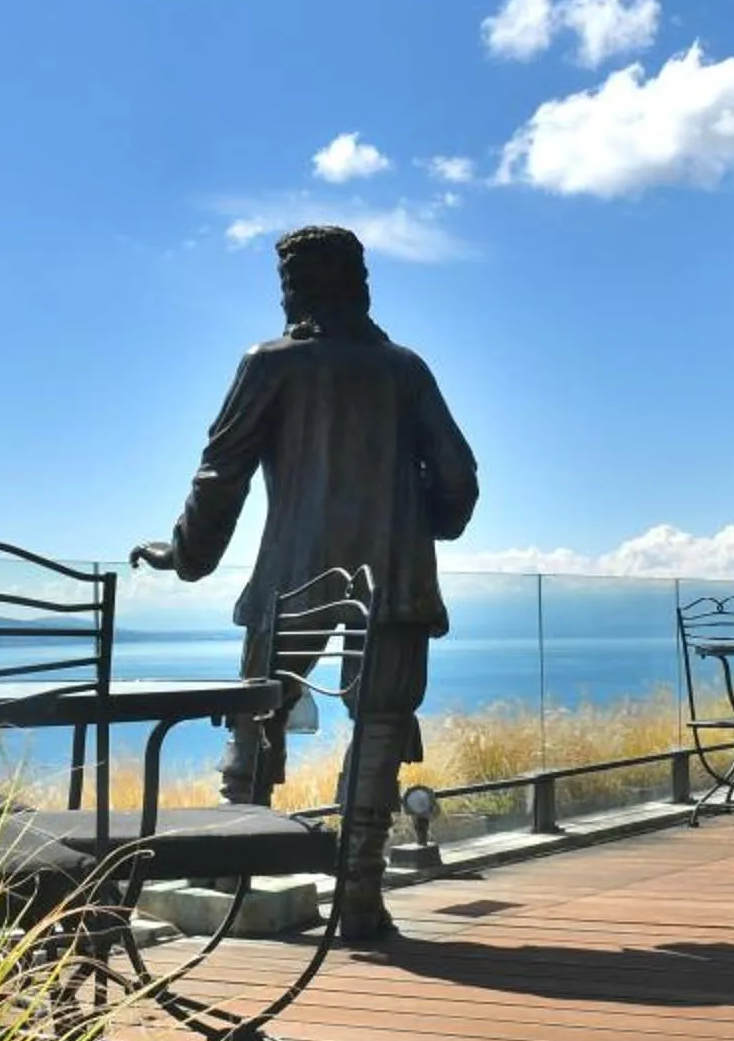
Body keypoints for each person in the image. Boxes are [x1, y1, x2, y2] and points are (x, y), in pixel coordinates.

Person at [130, 224, 479, 943]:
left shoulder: (271, 364)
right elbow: (458, 481)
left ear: (292, 289)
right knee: (381, 721)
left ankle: (234, 875)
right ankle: (360, 894)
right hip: (398, 575)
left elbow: (219, 474)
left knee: (258, 710)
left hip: (293, 573)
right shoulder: (404, 370)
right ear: (362, 284)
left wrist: (186, 556)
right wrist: (429, 521)